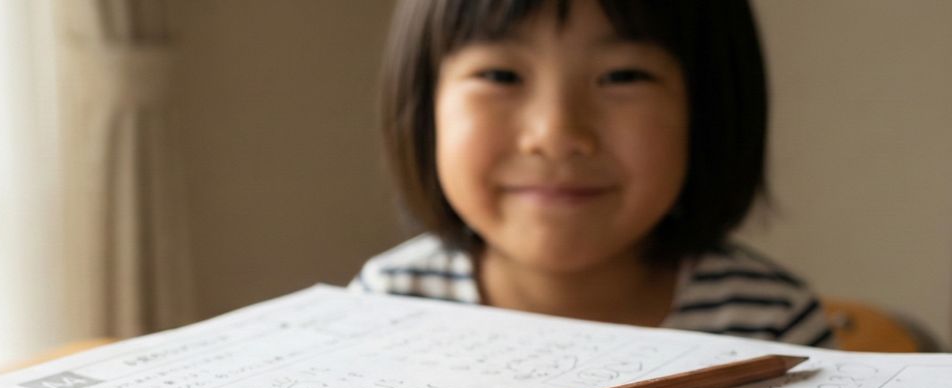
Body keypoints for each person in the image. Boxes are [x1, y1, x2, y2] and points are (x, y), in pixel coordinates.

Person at [352, 0, 836, 348]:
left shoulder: (773, 326)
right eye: (500, 75)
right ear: (426, 108)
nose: (557, 133)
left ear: (709, 109)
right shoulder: (380, 311)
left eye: (623, 76)